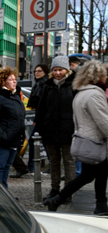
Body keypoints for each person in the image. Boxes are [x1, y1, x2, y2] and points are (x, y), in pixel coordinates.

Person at [44, 60, 108, 215]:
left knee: (92, 175)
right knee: (92, 175)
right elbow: (103, 121)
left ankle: (99, 205)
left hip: (87, 140)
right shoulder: (94, 95)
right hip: (96, 141)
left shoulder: (82, 92)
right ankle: (61, 199)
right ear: (98, 76)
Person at [35, 55, 76, 200]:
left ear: (67, 70)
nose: (58, 73)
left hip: (68, 129)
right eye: (55, 70)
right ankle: (54, 189)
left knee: (69, 161)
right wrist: (39, 128)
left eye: (61, 70)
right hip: (50, 129)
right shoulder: (48, 85)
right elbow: (41, 109)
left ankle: (68, 192)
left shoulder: (73, 85)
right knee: (54, 161)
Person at [0, 67, 25, 189]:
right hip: (2, 141)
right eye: (11, 79)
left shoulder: (14, 96)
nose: (15, 82)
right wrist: (2, 136)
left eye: (15, 79)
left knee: (6, 168)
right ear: (2, 82)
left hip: (13, 139)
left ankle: (4, 194)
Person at [22, 64, 51, 174]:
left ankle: (32, 166)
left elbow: (42, 105)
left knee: (35, 141)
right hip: (40, 118)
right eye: (35, 71)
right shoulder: (38, 84)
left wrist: (36, 120)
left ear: (45, 72)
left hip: (43, 119)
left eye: (39, 71)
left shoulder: (44, 84)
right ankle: (33, 165)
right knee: (40, 142)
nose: (37, 73)